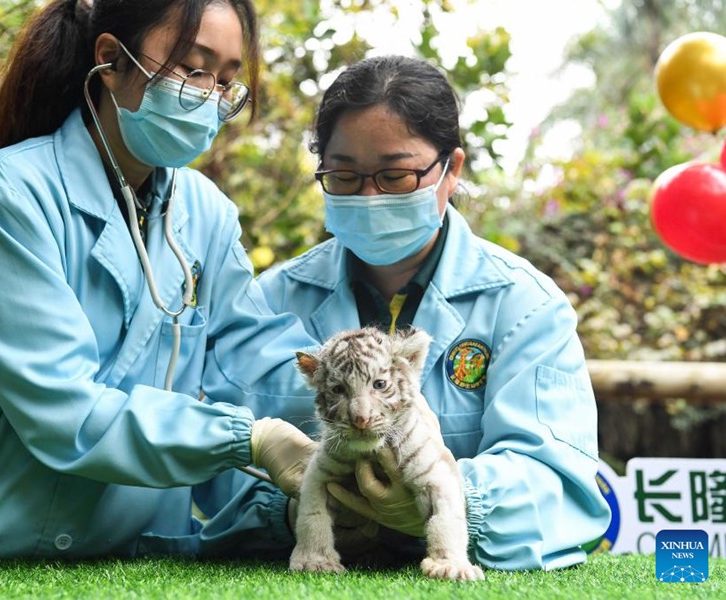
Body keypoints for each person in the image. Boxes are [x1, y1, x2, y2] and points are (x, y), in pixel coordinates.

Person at [0, 0, 326, 564]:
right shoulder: (9, 195)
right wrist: (249, 440)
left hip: (132, 558)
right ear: (111, 59)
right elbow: (62, 408)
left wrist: (368, 411)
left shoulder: (207, 216)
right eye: (192, 68)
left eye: (225, 80)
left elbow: (257, 369)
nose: (209, 95)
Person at [257, 54, 612, 571]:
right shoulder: (270, 301)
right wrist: (290, 512)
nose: (369, 196)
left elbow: (560, 489)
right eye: (344, 176)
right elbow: (215, 475)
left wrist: (443, 496)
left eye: (396, 175)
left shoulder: (527, 306)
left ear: (452, 171)